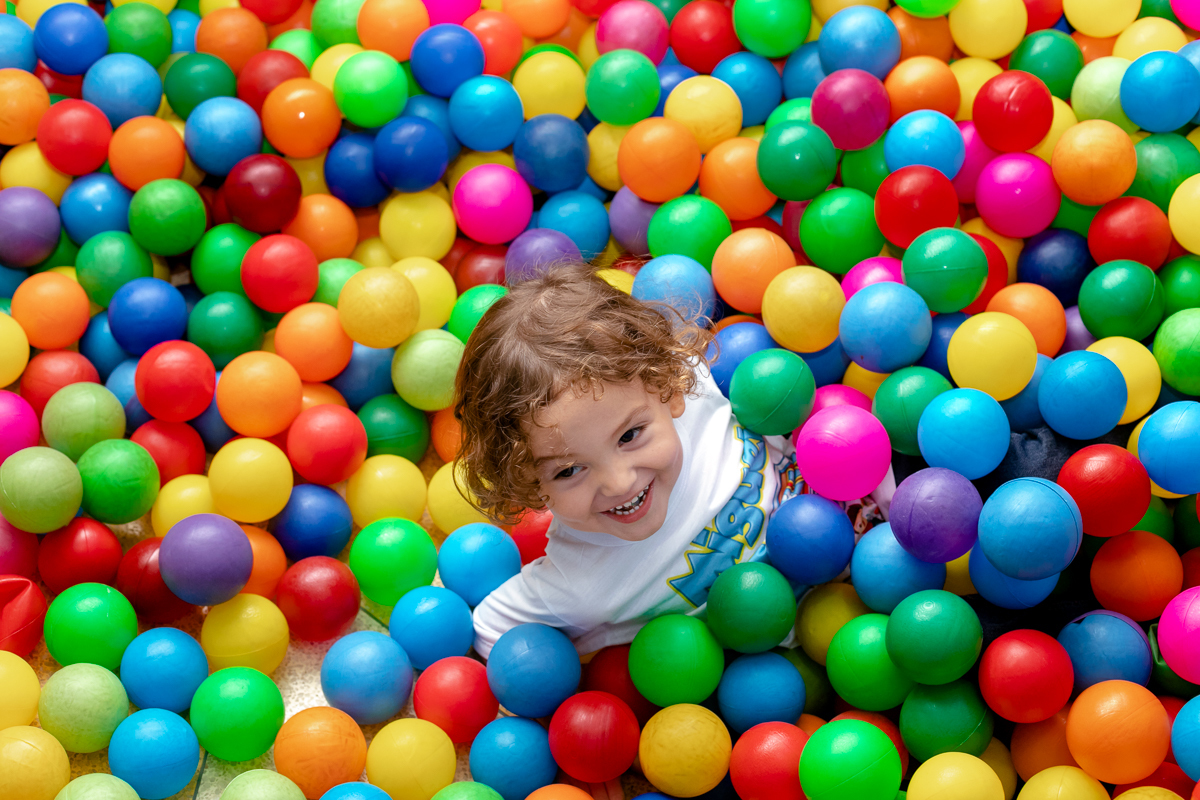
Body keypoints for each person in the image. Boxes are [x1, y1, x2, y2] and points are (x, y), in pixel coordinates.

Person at [455, 264, 885, 659]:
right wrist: (603, 641)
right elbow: (490, 629)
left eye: (630, 436)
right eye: (568, 471)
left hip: (873, 530)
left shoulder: (691, 381)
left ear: (670, 391)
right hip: (812, 648)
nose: (620, 482)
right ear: (529, 484)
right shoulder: (576, 583)